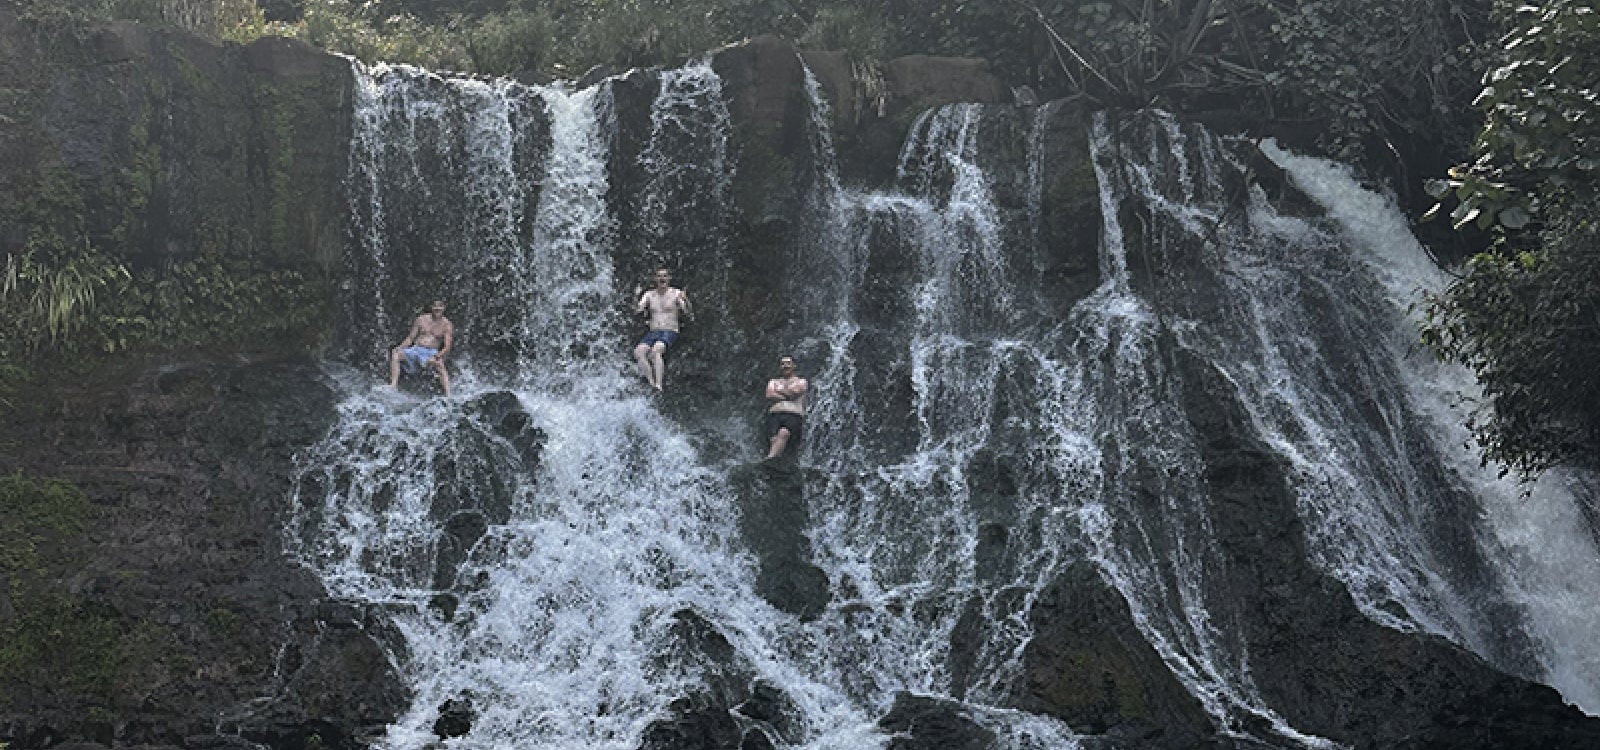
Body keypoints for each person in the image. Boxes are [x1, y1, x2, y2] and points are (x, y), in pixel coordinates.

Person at [633, 268, 692, 392]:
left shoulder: (676, 293)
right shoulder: (649, 295)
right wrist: (636, 296)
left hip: (669, 330)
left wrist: (685, 300)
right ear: (655, 279)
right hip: (653, 331)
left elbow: (687, 313)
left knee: (656, 351)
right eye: (659, 276)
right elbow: (637, 310)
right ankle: (651, 383)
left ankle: (659, 385)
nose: (662, 279)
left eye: (665, 276)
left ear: (669, 278)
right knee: (638, 352)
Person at [388, 299, 454, 396]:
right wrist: (400, 347)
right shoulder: (421, 319)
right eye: (435, 306)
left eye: (440, 306)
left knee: (440, 365)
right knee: (396, 354)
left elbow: (447, 346)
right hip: (416, 349)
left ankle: (448, 395)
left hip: (431, 352)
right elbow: (410, 338)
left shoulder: (447, 324)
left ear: (444, 308)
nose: (437, 308)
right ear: (431, 307)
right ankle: (393, 385)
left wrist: (437, 356)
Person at [764, 355, 807, 459]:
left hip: (793, 415)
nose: (785, 366)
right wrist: (788, 394)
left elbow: (795, 392)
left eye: (788, 363)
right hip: (774, 415)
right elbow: (769, 395)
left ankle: (769, 459)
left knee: (784, 433)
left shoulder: (801, 381)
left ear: (794, 365)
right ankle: (775, 461)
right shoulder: (773, 381)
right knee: (774, 439)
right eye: (782, 364)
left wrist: (778, 391)